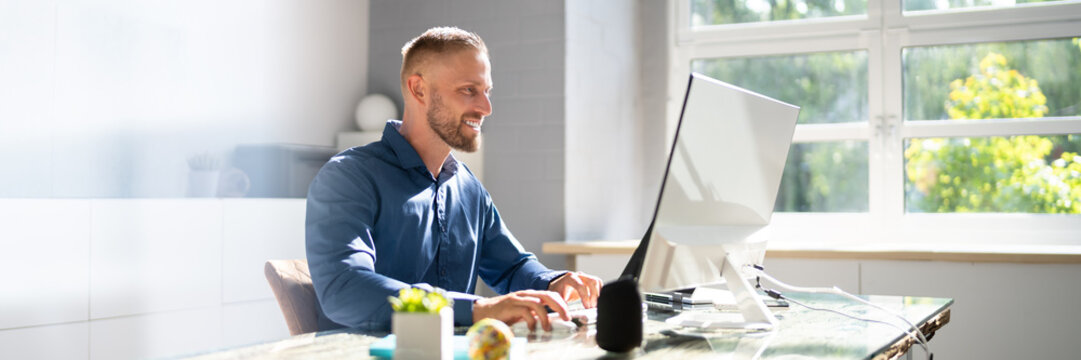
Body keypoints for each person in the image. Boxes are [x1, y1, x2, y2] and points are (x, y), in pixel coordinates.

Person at [306, 26, 603, 332]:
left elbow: (512, 266)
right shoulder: (348, 177)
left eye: (486, 91)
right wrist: (475, 310)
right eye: (468, 90)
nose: (486, 108)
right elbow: (345, 287)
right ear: (419, 89)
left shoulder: (468, 188)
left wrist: (554, 281)